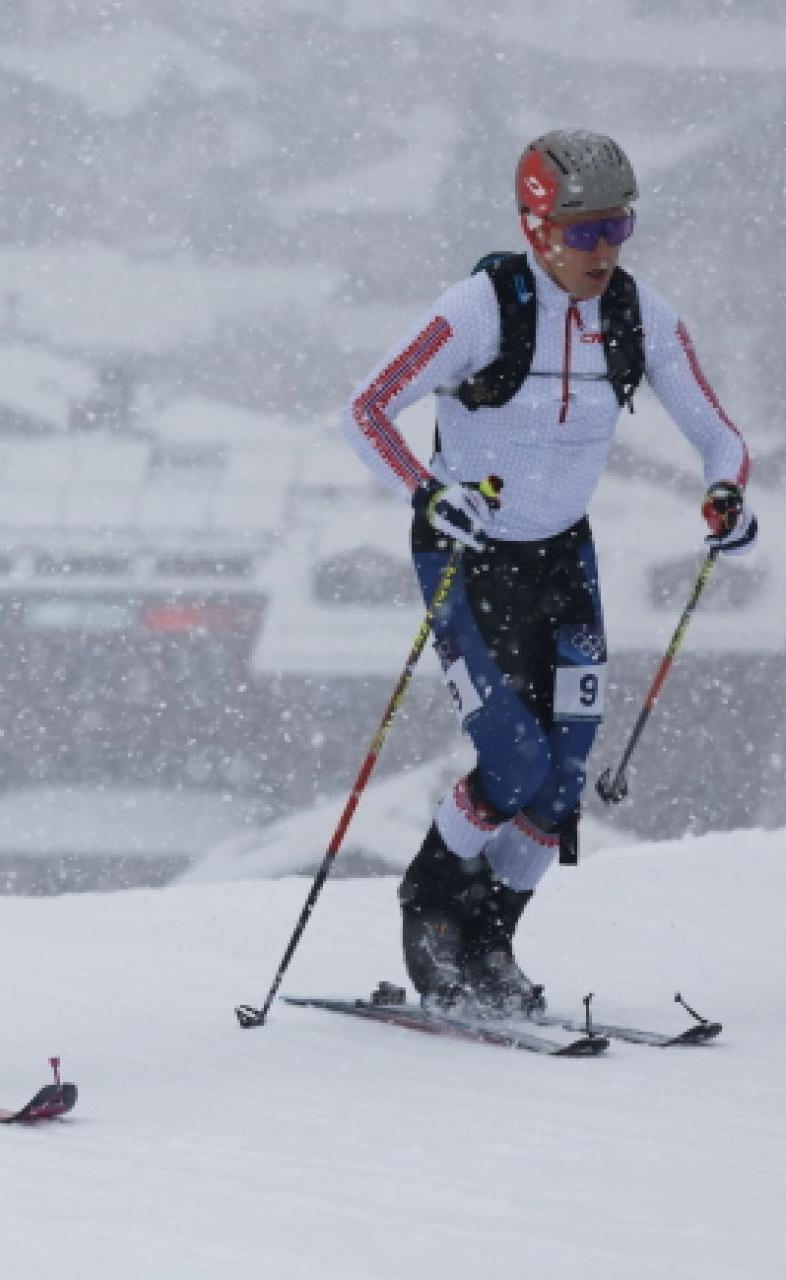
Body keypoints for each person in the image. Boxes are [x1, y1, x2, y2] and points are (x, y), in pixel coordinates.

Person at [339, 130, 756, 1015]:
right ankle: (432, 911)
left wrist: (727, 495)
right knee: (513, 756)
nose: (604, 251)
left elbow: (719, 435)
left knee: (562, 780)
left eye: (618, 229)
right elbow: (366, 409)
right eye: (584, 233)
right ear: (536, 229)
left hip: (566, 558)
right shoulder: (481, 310)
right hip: (470, 559)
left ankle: (491, 943)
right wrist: (425, 492)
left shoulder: (640, 315)